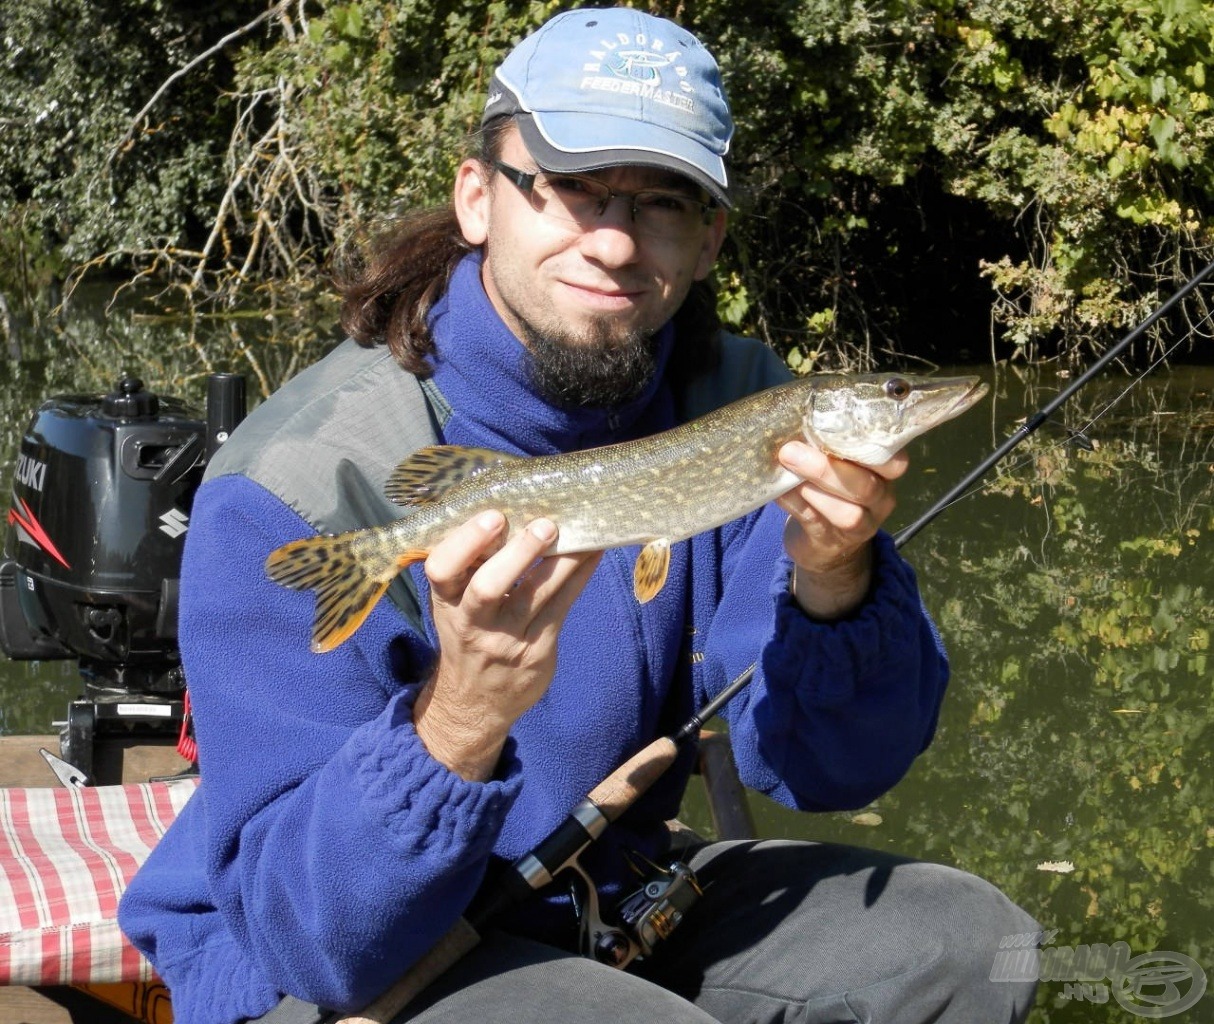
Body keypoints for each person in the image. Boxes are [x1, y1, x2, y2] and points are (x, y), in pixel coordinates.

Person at [119, 8, 1039, 1024]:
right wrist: (461, 719)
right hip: (322, 952)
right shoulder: (297, 481)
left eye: (658, 203)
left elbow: (826, 767)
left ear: (707, 239)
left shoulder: (739, 406)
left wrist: (833, 580)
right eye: (568, 188)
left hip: (600, 886)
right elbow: (314, 938)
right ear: (478, 198)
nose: (610, 239)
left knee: (966, 947)